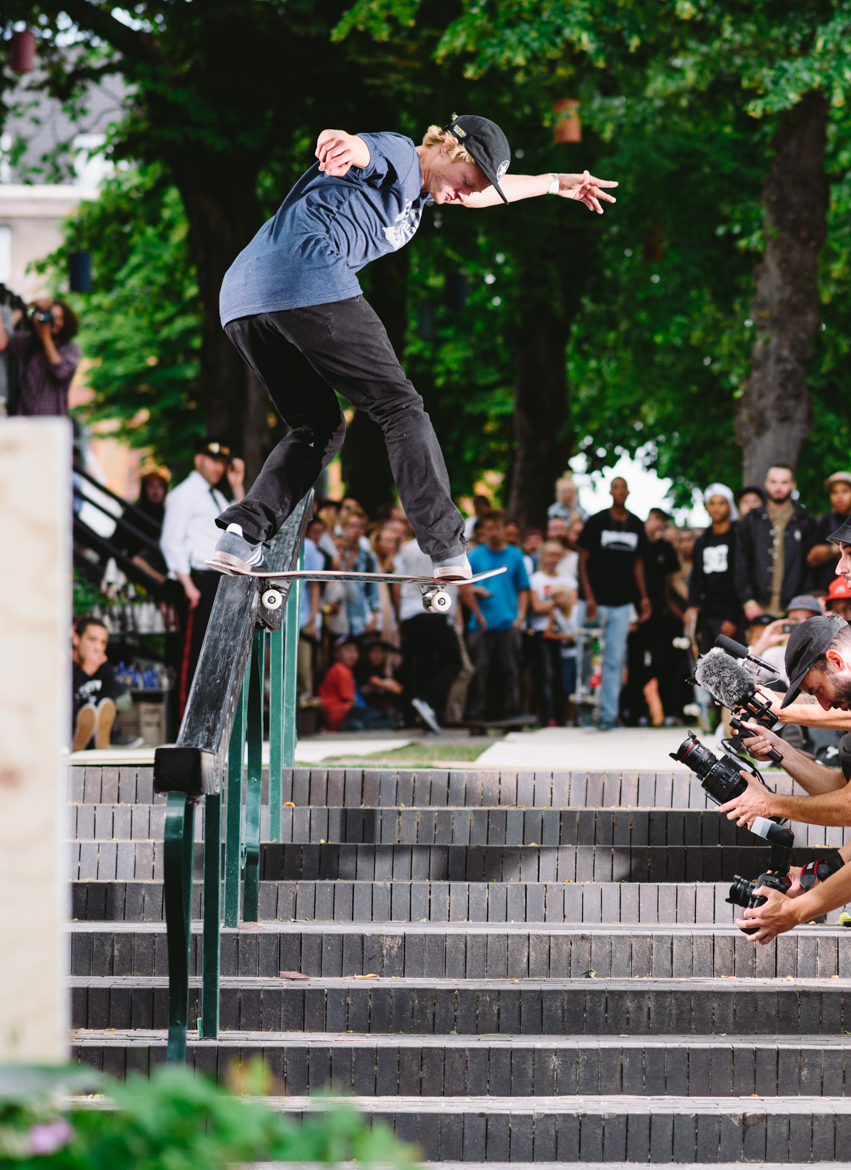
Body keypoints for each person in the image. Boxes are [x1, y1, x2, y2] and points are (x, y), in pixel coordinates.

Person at [207, 114, 617, 584]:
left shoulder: (424, 194)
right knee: (400, 407)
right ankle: (445, 547)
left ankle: (241, 533)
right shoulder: (402, 155)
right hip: (307, 274)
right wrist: (340, 144)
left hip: (243, 298)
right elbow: (363, 149)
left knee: (317, 426)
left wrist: (553, 184)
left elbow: (479, 194)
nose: (464, 193)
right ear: (446, 149)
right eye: (465, 180)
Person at [160, 438, 246, 712]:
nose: (218, 466)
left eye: (222, 461)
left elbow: (242, 524)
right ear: (198, 459)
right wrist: (188, 585)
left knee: (212, 653)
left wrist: (236, 485)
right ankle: (184, 723)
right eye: (212, 459)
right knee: (191, 656)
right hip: (195, 579)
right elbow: (171, 540)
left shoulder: (217, 495)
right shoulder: (185, 493)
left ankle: (204, 716)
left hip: (215, 578)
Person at [577, 477, 651, 731]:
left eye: (624, 488)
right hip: (594, 603)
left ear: (628, 492)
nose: (620, 491)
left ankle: (608, 715)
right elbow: (583, 559)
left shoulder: (636, 524)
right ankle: (586, 713)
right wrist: (589, 596)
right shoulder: (596, 521)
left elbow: (639, 563)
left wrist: (643, 597)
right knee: (589, 658)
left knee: (615, 660)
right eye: (615, 487)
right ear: (610, 491)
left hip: (621, 603)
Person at [461, 509, 531, 721]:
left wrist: (520, 616)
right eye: (489, 529)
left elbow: (524, 588)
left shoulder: (516, 556)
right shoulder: (475, 555)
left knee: (509, 671)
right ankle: (477, 713)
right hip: (480, 625)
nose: (493, 533)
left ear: (505, 530)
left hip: (507, 623)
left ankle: (510, 711)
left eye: (497, 528)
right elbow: (464, 587)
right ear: (484, 531)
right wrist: (475, 596)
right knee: (479, 672)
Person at [394, 537, 462, 735]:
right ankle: (427, 701)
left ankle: (427, 716)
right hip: (435, 611)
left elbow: (396, 583)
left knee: (425, 664)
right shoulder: (448, 546)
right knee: (453, 661)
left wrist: (400, 616)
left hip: (410, 614)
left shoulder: (407, 548)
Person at [734, 465, 815, 620]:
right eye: (773, 482)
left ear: (793, 485)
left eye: (784, 482)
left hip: (794, 608)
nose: (778, 487)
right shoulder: (751, 520)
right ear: (766, 483)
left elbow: (810, 566)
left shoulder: (805, 521)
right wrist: (748, 601)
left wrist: (804, 602)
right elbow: (740, 562)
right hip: (757, 607)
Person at [0, 297, 81, 417]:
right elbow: (3, 338)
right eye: (50, 317)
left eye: (58, 318)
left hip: (53, 421)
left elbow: (61, 372)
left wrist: (45, 337)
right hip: (23, 420)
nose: (53, 322)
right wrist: (26, 307)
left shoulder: (70, 348)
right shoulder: (27, 345)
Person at [685, 484, 741, 655]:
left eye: (721, 503)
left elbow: (741, 579)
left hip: (731, 615)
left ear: (729, 506)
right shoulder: (702, 541)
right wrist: (691, 606)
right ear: (706, 507)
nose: (716, 508)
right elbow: (695, 579)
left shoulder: (737, 538)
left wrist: (732, 617)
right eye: (712, 503)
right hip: (706, 615)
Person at [529, 540, 578, 726]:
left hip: (565, 636)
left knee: (563, 679)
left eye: (557, 555)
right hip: (543, 634)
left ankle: (566, 716)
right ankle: (549, 717)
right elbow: (537, 607)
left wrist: (551, 605)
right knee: (546, 676)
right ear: (543, 556)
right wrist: (558, 604)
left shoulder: (568, 579)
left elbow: (572, 605)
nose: (553, 559)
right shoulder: (536, 579)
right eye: (549, 555)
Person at [72, 616, 136, 752]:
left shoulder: (105, 670)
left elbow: (106, 710)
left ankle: (103, 741)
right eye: (92, 640)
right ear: (76, 639)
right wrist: (85, 672)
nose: (98, 648)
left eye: (103, 643)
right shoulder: (64, 667)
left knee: (110, 702)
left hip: (95, 735)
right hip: (69, 732)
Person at [319, 637, 395, 731]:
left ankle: (358, 724)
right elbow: (350, 700)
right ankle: (353, 725)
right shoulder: (340, 669)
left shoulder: (346, 670)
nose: (353, 655)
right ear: (337, 654)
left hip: (341, 713)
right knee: (374, 713)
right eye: (348, 651)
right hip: (338, 714)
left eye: (355, 651)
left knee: (375, 713)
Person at [807, 471, 851, 594]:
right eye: (834, 492)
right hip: (828, 593)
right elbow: (812, 557)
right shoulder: (824, 521)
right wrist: (836, 549)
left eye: (845, 491)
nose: (839, 497)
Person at [545, 584, 578, 723]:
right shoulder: (555, 613)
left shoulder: (578, 610)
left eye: (560, 596)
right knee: (567, 688)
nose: (558, 600)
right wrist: (565, 637)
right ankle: (570, 718)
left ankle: (579, 716)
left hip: (580, 654)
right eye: (555, 597)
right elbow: (547, 634)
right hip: (566, 655)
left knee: (581, 686)